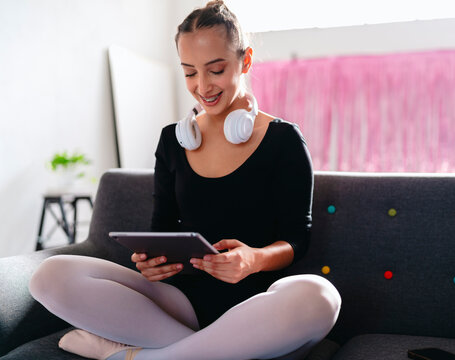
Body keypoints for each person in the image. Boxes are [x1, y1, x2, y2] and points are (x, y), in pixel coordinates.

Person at [29, 1, 341, 359]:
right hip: (178, 303)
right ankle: (203, 351)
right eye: (190, 73)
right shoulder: (172, 141)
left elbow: (296, 240)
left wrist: (252, 259)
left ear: (246, 61)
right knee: (49, 275)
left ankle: (138, 355)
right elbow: (161, 228)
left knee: (320, 296)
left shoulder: (283, 139)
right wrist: (149, 262)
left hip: (256, 310)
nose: (203, 86)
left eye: (216, 69)